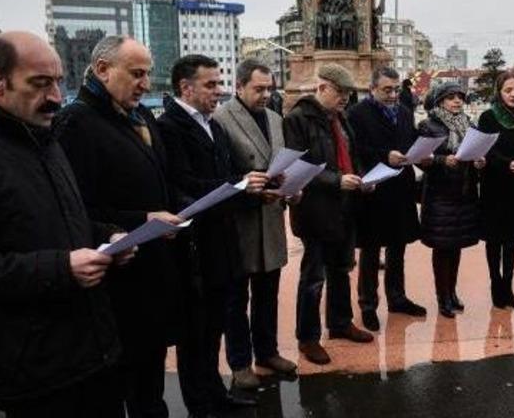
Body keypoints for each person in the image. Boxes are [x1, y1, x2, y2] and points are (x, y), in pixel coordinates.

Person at [0, 31, 131, 417]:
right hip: (32, 374)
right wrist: (62, 268)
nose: (55, 96)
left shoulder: (45, 138)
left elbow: (62, 220)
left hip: (93, 354)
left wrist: (106, 237)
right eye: (40, 83)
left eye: (58, 81)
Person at [56, 35, 183, 417]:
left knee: (150, 383)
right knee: (120, 388)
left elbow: (161, 178)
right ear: (102, 70)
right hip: (117, 286)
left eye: (148, 74)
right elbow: (74, 209)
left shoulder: (140, 115)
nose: (145, 84)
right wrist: (140, 220)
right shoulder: (76, 122)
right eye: (137, 73)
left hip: (153, 272)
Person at [156, 55, 262, 415]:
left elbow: (228, 173)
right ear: (186, 88)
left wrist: (250, 186)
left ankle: (216, 394)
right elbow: (182, 184)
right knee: (195, 335)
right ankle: (200, 405)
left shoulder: (213, 126)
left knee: (215, 325)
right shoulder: (169, 127)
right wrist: (239, 186)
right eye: (211, 84)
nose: (219, 91)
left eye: (219, 83)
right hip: (194, 248)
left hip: (222, 244)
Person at [213, 59, 298, 386]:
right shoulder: (222, 119)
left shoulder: (276, 119)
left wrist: (290, 187)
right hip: (241, 220)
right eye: (258, 88)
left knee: (268, 292)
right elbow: (221, 173)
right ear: (239, 86)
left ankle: (267, 351)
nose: (265, 94)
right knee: (237, 299)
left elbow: (280, 161)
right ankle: (240, 362)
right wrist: (250, 188)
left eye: (269, 88)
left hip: (272, 216)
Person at [283, 63, 373, 365]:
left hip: (346, 207)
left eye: (348, 93)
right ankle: (308, 338)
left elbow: (352, 158)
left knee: (341, 270)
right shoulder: (298, 119)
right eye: (340, 92)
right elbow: (296, 168)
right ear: (322, 88)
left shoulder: (341, 119)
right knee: (313, 277)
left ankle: (340, 323)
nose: (345, 98)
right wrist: (337, 181)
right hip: (316, 212)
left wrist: (362, 180)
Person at [347, 67, 426, 332]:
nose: (393, 95)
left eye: (395, 89)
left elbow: (410, 140)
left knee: (398, 247)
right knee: (370, 250)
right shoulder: (357, 114)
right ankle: (367, 304)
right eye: (387, 90)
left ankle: (397, 297)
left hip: (400, 188)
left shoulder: (404, 112)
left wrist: (420, 152)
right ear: (372, 89)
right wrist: (384, 155)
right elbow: (354, 149)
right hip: (374, 188)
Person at [418, 82, 485, 318]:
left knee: (456, 247)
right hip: (440, 196)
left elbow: (476, 150)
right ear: (439, 101)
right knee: (442, 248)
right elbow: (420, 158)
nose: (457, 101)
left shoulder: (469, 124)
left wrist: (479, 162)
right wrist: (441, 161)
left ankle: (452, 292)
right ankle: (442, 297)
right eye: (450, 97)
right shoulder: (428, 125)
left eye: (460, 97)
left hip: (464, 195)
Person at [476, 71, 514, 308]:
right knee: (494, 239)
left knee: (512, 240)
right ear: (499, 92)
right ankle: (495, 283)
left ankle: (507, 284)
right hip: (494, 184)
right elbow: (486, 149)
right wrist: (507, 163)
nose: (513, 94)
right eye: (508, 90)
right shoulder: (488, 117)